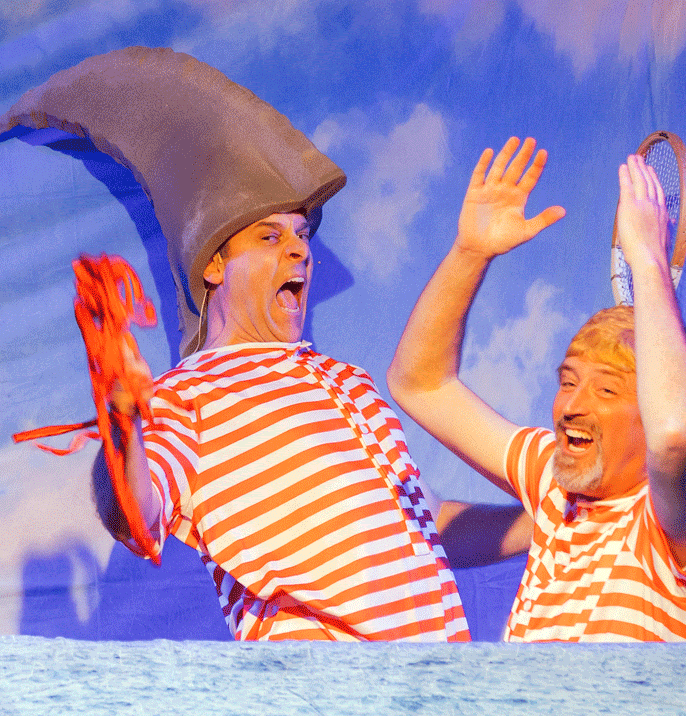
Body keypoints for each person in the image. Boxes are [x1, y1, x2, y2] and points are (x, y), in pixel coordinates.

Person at [1, 46, 472, 642]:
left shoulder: (350, 381)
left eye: (301, 235)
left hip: (437, 684)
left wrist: (550, 516)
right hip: (325, 691)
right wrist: (122, 420)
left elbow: (426, 521)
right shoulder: (189, 395)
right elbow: (137, 513)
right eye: (270, 237)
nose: (299, 250)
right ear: (215, 265)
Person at [388, 136, 686, 641]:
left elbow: (673, 435)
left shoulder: (673, 524)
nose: (572, 406)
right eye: (568, 381)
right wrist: (470, 253)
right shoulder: (553, 483)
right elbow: (420, 383)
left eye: (606, 390)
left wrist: (648, 258)